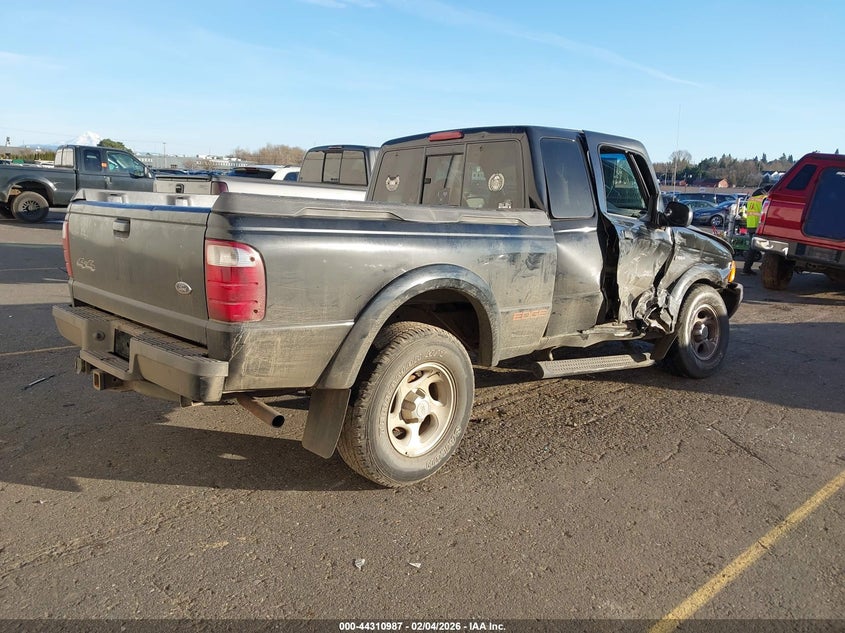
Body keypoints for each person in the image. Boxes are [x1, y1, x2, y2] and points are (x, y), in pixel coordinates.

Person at [742, 187, 767, 274]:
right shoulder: (764, 199)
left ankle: (747, 268)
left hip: (750, 225)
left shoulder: (751, 199)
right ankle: (747, 269)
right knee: (766, 248)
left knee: (753, 248)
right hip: (759, 226)